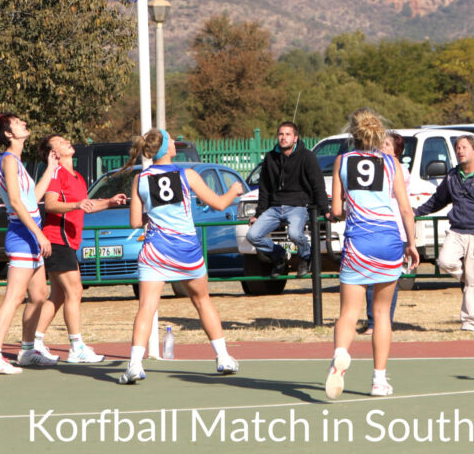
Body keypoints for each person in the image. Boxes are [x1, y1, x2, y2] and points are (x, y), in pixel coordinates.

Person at [117, 129, 244, 385]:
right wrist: (234, 190)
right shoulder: (187, 175)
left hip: (156, 250)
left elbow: (133, 221)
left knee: (147, 308)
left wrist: (153, 215)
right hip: (186, 250)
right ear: (166, 148)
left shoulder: (140, 179)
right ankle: (223, 357)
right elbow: (219, 204)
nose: (176, 142)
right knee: (202, 301)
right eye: (171, 139)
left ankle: (134, 364)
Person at [325, 109, 418, 399]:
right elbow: (404, 208)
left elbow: (338, 210)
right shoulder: (391, 163)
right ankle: (379, 380)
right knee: (381, 314)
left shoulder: (342, 160)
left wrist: (335, 214)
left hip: (358, 242)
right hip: (388, 241)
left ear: (352, 133)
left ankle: (340, 355)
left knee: (349, 313)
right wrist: (411, 243)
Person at [30, 135, 127, 364]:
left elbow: (86, 206)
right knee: (75, 291)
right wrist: (75, 204)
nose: (67, 142)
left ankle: (34, 343)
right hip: (57, 239)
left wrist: (110, 202)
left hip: (70, 242)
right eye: (60, 142)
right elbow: (51, 204)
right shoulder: (56, 175)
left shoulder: (78, 177)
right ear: (54, 153)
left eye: (66, 140)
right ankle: (76, 346)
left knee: (58, 295)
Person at [0, 113, 59, 374]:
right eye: (17, 123)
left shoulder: (18, 162)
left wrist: (51, 168)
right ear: (8, 134)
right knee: (14, 297)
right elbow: (15, 202)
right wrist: (39, 233)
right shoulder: (9, 160)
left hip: (30, 233)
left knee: (39, 296)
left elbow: (31, 198)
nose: (24, 123)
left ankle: (26, 351)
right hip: (23, 234)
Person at [414, 134, 474, 333]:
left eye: (464, 147)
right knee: (445, 262)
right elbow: (438, 200)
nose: (460, 151)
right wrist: (416, 212)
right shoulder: (452, 175)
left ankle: (470, 322)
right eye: (457, 148)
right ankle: (465, 277)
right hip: (457, 230)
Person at [246, 122, 330, 277]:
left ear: (295, 138)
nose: (283, 138)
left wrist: (325, 210)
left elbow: (318, 185)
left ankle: (306, 256)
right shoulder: (270, 158)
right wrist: (258, 214)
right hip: (275, 207)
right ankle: (280, 256)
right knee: (252, 235)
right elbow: (264, 189)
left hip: (299, 206)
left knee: (294, 233)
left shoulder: (307, 157)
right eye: (281, 134)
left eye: (288, 134)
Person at [360, 131, 407, 335]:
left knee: (388, 280)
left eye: (387, 145)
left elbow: (393, 197)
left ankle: (384, 321)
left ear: (396, 150)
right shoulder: (372, 168)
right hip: (372, 227)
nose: (383, 148)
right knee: (370, 279)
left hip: (394, 230)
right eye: (381, 144)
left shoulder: (401, 171)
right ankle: (372, 322)